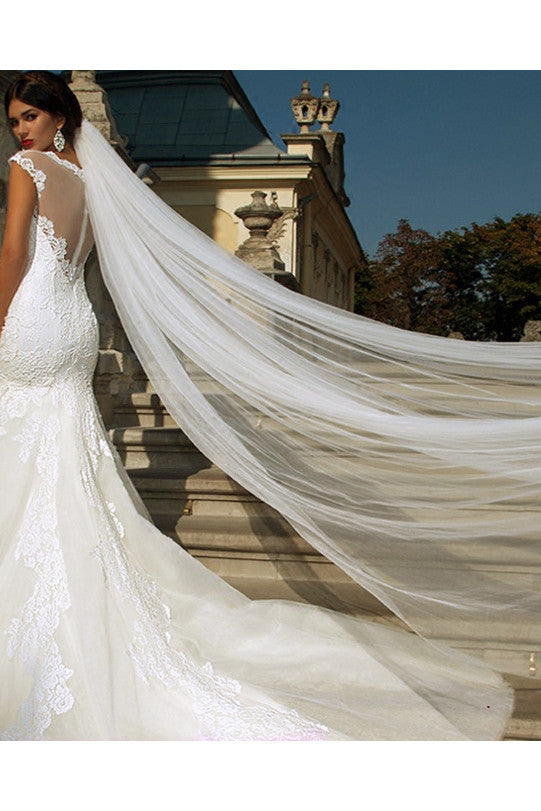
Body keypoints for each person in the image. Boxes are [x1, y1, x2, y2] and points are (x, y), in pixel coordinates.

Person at [0, 71, 522, 740]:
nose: (21, 130)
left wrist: (3, 317)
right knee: (61, 453)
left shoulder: (28, 169)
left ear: (57, 117)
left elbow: (14, 250)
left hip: (34, 317)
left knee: (28, 448)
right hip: (70, 322)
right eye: (15, 121)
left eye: (28, 118)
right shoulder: (94, 181)